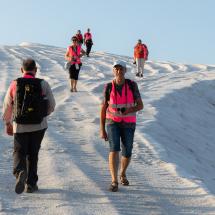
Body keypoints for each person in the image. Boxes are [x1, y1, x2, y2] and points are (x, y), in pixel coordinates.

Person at [2, 58, 55, 194]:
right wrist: (42, 115)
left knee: (19, 151)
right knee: (33, 154)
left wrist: (8, 123)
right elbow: (51, 105)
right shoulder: (43, 83)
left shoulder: (15, 83)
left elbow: (8, 104)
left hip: (19, 125)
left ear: (22, 70)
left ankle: (20, 172)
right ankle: (31, 184)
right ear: (35, 70)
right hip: (39, 126)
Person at [100, 60, 143, 192]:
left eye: (121, 69)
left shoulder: (132, 85)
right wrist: (102, 129)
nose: (118, 71)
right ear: (113, 71)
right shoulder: (108, 87)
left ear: (125, 70)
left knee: (128, 151)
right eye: (116, 69)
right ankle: (114, 181)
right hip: (112, 122)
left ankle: (123, 173)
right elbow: (103, 108)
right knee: (114, 149)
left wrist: (128, 110)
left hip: (129, 123)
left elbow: (140, 105)